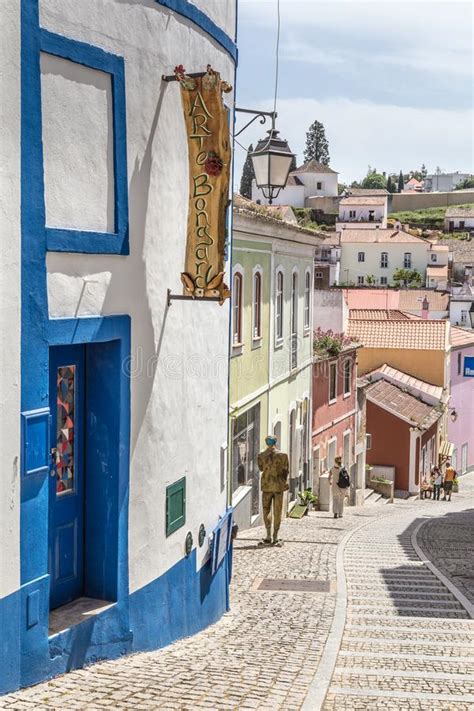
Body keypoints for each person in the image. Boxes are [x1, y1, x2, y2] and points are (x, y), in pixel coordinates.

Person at [257, 435, 289, 545]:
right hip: (279, 486)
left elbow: (261, 468)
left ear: (267, 443)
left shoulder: (261, 456)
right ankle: (275, 536)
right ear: (275, 442)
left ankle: (268, 534)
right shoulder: (283, 456)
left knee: (266, 510)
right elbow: (286, 470)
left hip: (266, 485)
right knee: (277, 511)